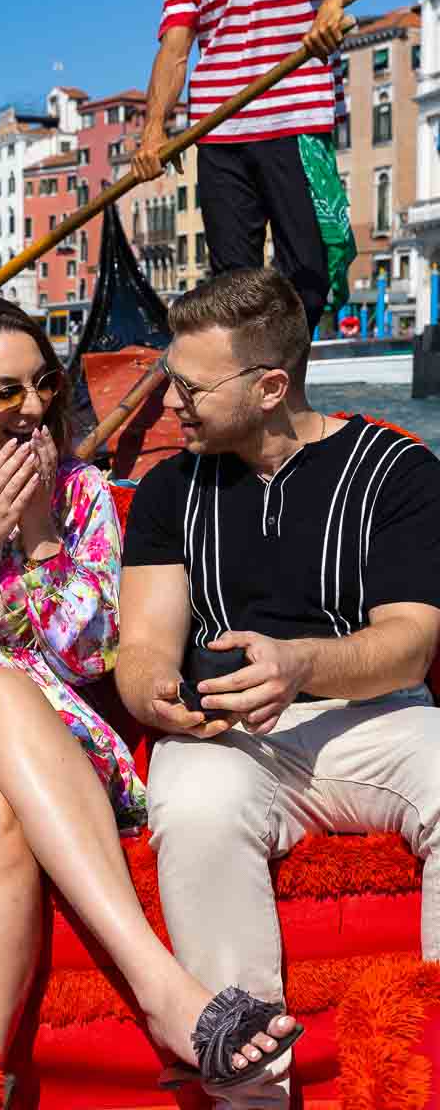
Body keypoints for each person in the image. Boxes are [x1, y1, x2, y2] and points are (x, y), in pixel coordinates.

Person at [0, 293, 299, 1100]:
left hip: (50, 759)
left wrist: (40, 530)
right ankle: (163, 992)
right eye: (6, 392)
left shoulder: (82, 493)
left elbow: (91, 654)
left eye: (44, 384)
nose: (35, 409)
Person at [117, 267, 440, 1107]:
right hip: (228, 738)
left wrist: (300, 664)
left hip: (373, 719)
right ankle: (251, 1096)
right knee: (192, 808)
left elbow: (410, 646)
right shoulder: (166, 490)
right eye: (167, 378)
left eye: (188, 386)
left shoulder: (397, 472)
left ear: (268, 386)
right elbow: (144, 644)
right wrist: (155, 689)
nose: (170, 401)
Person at [130, 0, 376, 334]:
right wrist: (153, 132)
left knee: (308, 276)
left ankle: (285, 384)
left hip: (295, 121)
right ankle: (246, 391)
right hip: (218, 135)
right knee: (231, 288)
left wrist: (332, 5)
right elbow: (174, 51)